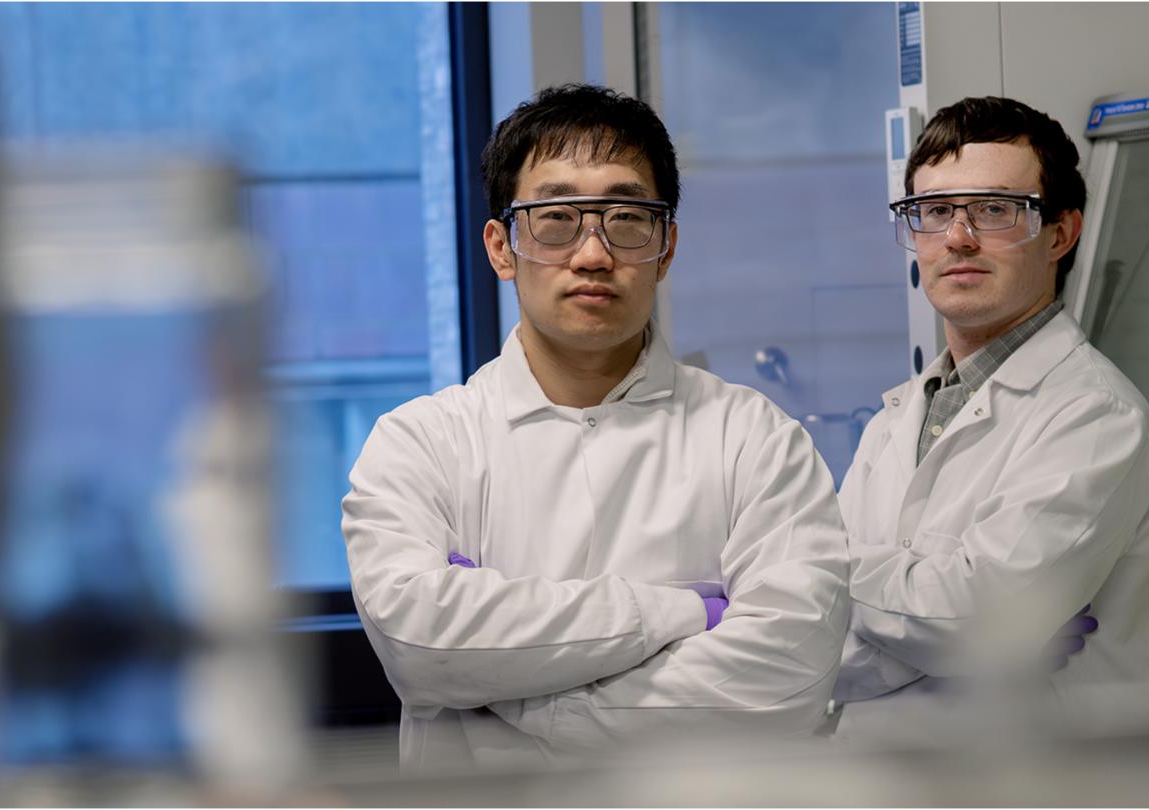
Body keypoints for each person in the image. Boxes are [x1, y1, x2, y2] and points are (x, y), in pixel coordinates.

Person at [342, 84, 849, 772]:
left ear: (666, 247)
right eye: (556, 218)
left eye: (627, 217)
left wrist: (508, 702)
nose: (592, 253)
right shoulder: (419, 445)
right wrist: (684, 615)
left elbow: (785, 677)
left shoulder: (754, 439)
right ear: (500, 247)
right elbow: (423, 645)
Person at [833, 96, 1149, 739]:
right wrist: (923, 621)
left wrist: (807, 570)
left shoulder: (1095, 416)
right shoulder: (896, 419)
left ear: (1061, 234)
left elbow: (971, 621)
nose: (957, 237)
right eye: (934, 212)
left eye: (994, 210)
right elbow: (810, 647)